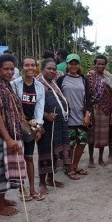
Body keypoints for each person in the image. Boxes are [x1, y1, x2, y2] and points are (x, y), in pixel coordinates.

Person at [0, 54, 25, 216]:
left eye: (11, 69)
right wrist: (7, 138)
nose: (9, 72)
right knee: (1, 165)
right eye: (5, 69)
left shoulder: (5, 84)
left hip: (6, 129)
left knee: (7, 164)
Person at [11, 56, 46, 201]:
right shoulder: (14, 84)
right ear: (22, 67)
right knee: (19, 157)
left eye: (33, 65)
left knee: (29, 157)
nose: (30, 68)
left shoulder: (39, 86)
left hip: (31, 126)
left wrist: (38, 127)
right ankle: (22, 188)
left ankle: (32, 188)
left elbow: (39, 107)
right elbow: (12, 106)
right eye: (27, 65)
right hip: (16, 125)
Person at [37, 58, 71, 193]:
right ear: (42, 69)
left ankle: (51, 179)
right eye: (49, 68)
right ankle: (41, 183)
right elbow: (34, 106)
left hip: (58, 124)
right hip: (46, 125)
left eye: (54, 69)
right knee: (45, 152)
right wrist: (46, 115)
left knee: (55, 151)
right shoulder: (38, 84)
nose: (52, 71)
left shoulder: (53, 84)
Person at [57, 54, 93, 180]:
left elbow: (89, 99)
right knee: (70, 144)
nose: (73, 66)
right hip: (67, 118)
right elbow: (56, 97)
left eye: (76, 63)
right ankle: (69, 168)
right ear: (67, 65)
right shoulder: (61, 80)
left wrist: (88, 115)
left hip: (82, 117)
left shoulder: (84, 80)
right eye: (71, 63)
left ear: (79, 65)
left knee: (82, 142)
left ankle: (75, 165)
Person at [87, 55, 112, 167]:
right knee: (91, 134)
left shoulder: (108, 78)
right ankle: (90, 159)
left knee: (103, 135)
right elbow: (86, 94)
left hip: (105, 109)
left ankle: (100, 158)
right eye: (98, 64)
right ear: (95, 64)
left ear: (105, 65)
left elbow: (111, 95)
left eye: (103, 64)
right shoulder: (89, 77)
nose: (100, 66)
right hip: (93, 108)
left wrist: (111, 111)